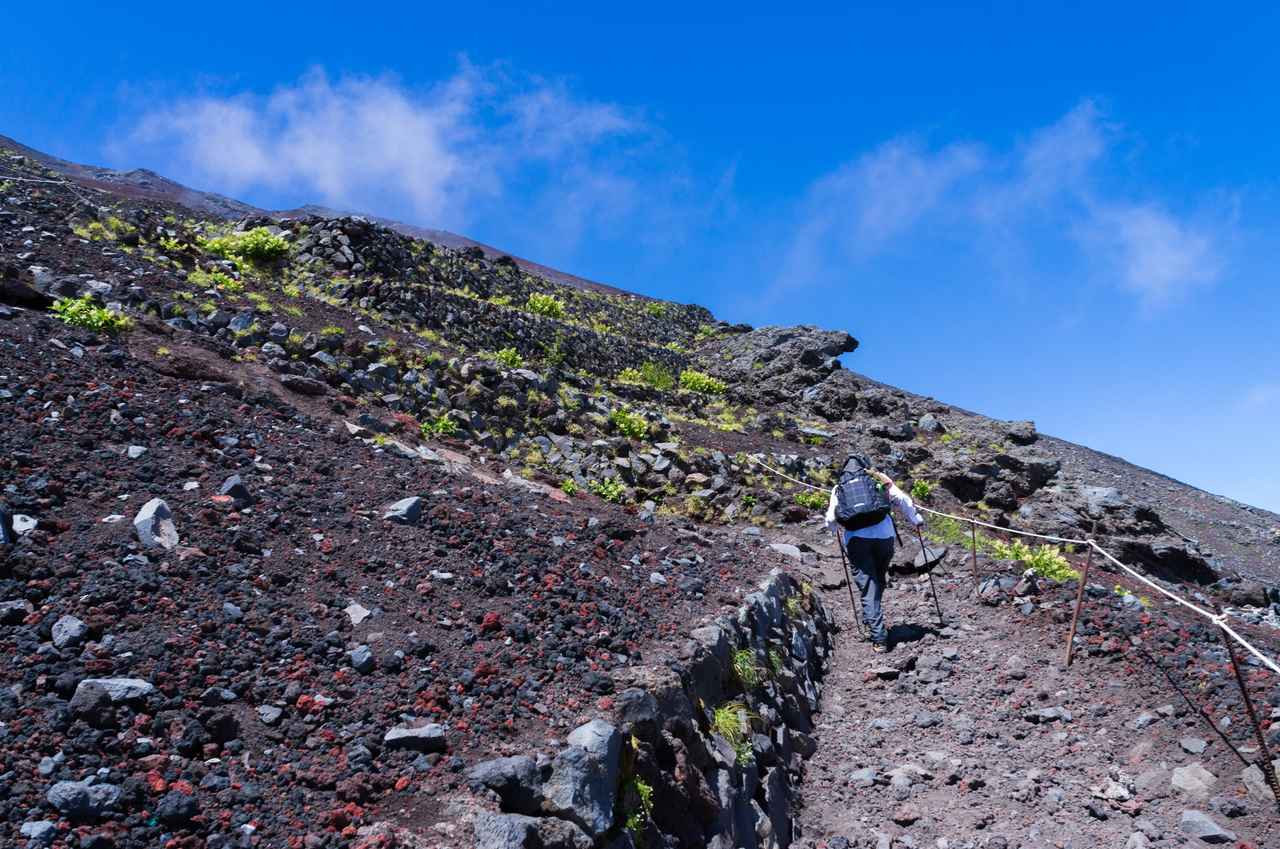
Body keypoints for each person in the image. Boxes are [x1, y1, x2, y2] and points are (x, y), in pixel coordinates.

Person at [824, 459, 923, 653]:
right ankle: (871, 616)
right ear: (864, 466)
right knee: (878, 579)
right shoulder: (878, 479)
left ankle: (879, 638)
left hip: (857, 541)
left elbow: (830, 519)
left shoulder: (839, 488)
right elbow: (902, 499)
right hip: (885, 537)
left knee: (868, 585)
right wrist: (916, 519)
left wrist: (835, 529)